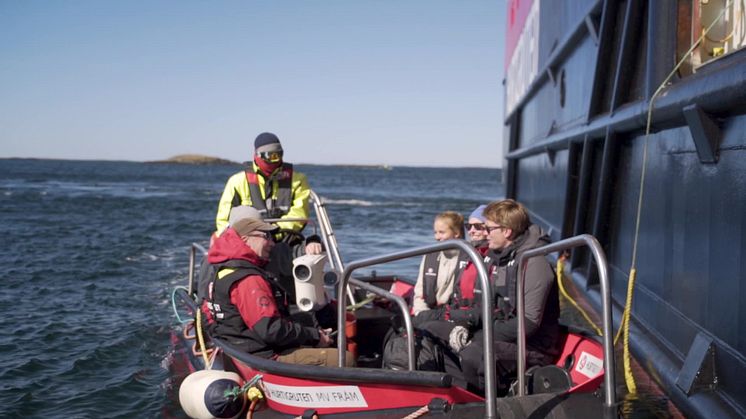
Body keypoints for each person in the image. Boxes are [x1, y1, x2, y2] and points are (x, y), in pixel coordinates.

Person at [206, 217, 354, 367]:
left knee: (305, 320)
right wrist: (315, 337)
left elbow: (207, 315)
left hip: (239, 348)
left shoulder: (223, 271)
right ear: (245, 239)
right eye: (266, 237)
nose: (271, 243)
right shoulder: (250, 280)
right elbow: (270, 330)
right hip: (263, 357)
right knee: (344, 360)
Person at [449, 199, 560, 393]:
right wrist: (465, 324)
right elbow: (489, 306)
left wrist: (481, 336)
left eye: (489, 228)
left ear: (507, 231)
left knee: (475, 353)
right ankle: (455, 394)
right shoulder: (499, 259)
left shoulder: (533, 263)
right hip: (502, 330)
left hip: (534, 346)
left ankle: (488, 404)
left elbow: (529, 323)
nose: (485, 232)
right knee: (434, 333)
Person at [215, 132, 311, 240]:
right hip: (247, 241)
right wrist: (249, 238)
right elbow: (223, 220)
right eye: (271, 156)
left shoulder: (298, 180)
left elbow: (299, 215)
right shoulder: (237, 182)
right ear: (257, 155)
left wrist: (273, 233)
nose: (276, 160)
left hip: (285, 239)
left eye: (279, 154)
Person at [412, 211, 468, 324]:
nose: (437, 237)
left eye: (441, 232)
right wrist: (420, 313)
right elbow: (419, 293)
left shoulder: (469, 257)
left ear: (456, 233)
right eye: (435, 232)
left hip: (455, 315)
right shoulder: (429, 256)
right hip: (430, 312)